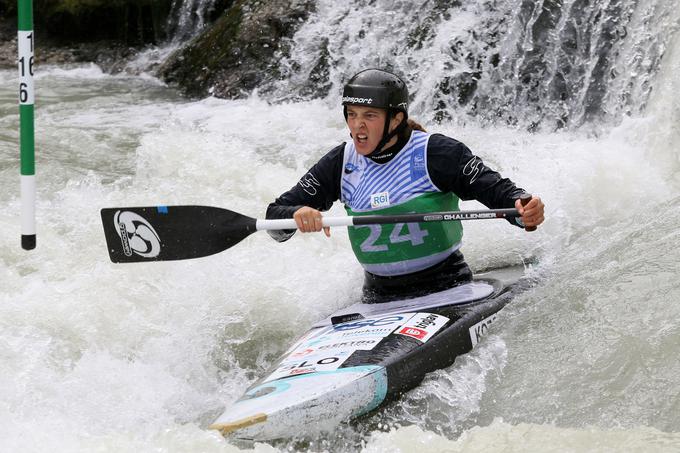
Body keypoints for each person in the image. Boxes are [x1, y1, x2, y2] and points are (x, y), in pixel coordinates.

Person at [266, 68, 544, 302]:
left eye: (369, 116)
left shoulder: (436, 153)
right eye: (351, 114)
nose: (357, 126)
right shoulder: (340, 162)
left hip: (448, 288)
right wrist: (296, 215)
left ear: (395, 119)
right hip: (376, 298)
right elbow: (275, 218)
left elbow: (500, 193)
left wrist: (524, 210)